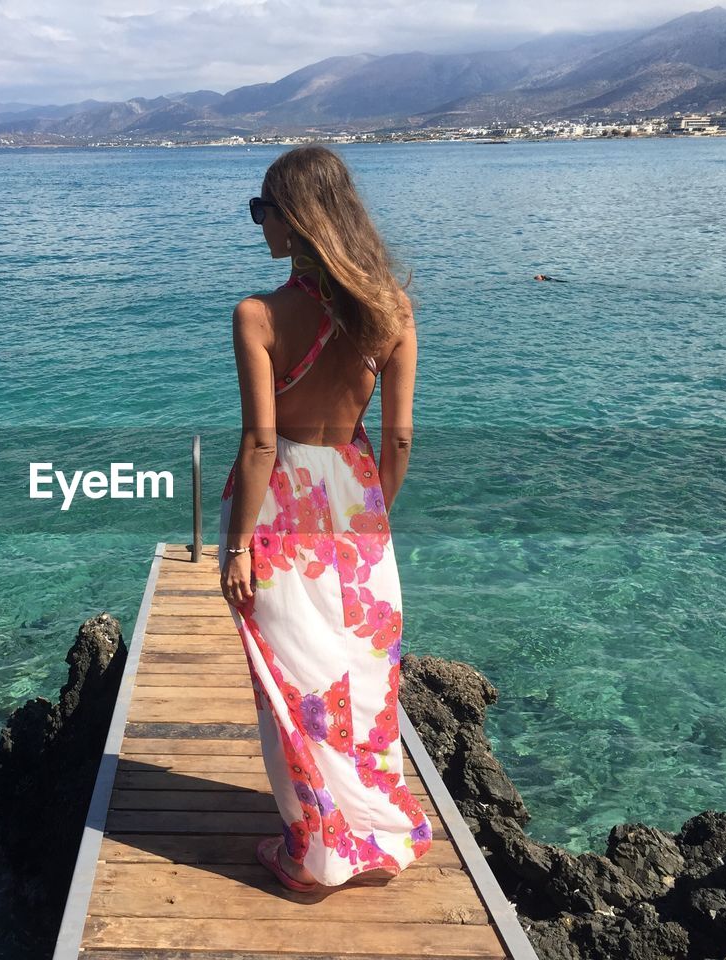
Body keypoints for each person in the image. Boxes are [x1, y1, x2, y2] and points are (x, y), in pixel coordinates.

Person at [218, 145, 431, 893]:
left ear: (295, 217)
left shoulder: (258, 315)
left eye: (262, 209)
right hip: (355, 498)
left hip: (280, 508)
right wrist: (374, 518)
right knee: (360, 681)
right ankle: (373, 834)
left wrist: (239, 547)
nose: (258, 224)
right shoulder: (392, 309)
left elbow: (259, 443)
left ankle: (315, 853)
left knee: (291, 681)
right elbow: (401, 437)